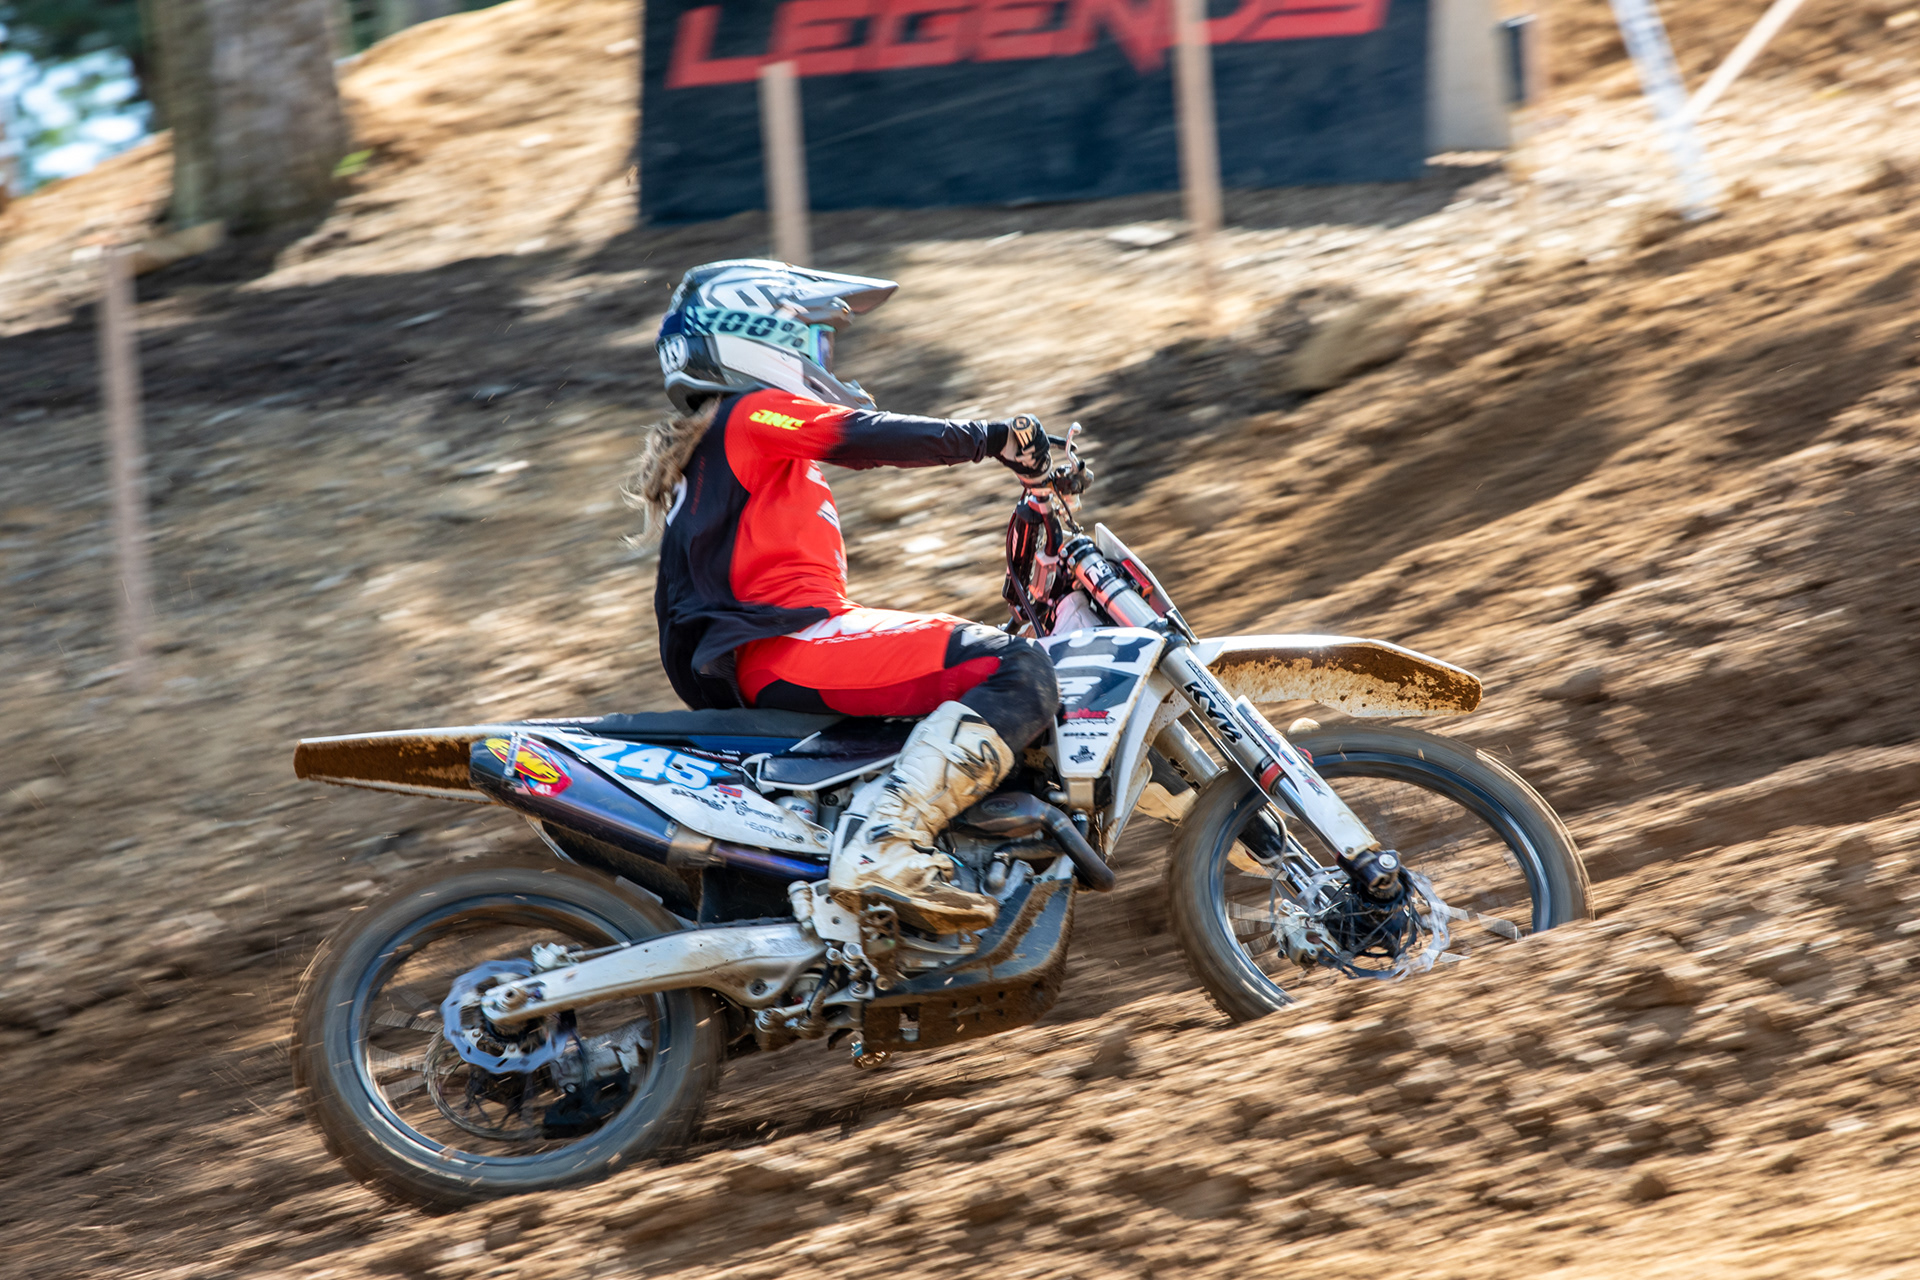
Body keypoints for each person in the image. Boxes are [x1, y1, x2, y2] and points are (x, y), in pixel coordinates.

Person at [627, 260, 1083, 937]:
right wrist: (994, 438)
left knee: (979, 669)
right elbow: (863, 436)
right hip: (790, 648)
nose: (825, 359)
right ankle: (887, 842)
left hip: (782, 649)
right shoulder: (752, 415)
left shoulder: (733, 446)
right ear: (753, 341)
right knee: (1013, 668)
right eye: (813, 341)